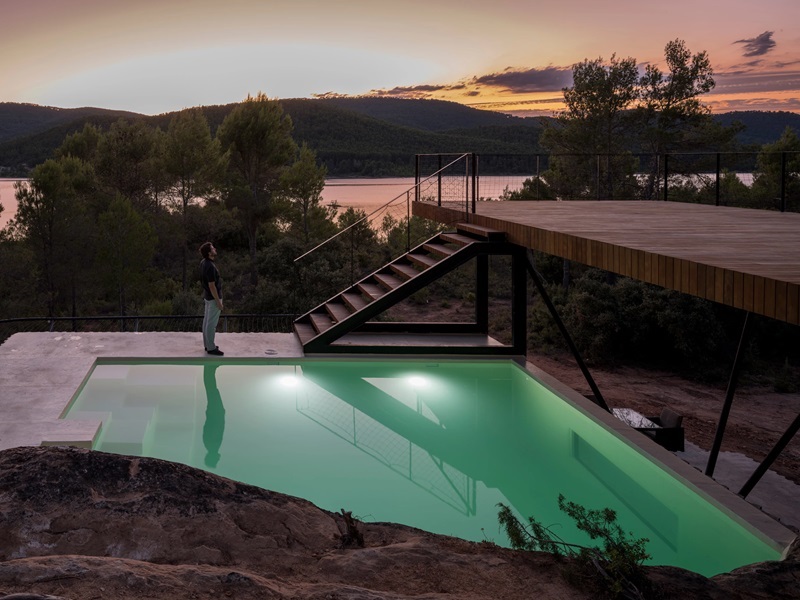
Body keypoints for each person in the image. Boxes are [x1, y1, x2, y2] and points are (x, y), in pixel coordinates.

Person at [199, 241, 224, 356]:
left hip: (207, 297)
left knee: (206, 322)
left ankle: (207, 344)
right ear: (209, 253)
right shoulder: (210, 266)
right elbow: (211, 285)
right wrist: (218, 302)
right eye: (213, 248)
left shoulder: (203, 263)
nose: (215, 249)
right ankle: (211, 347)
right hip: (213, 298)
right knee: (211, 324)